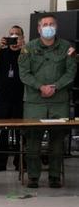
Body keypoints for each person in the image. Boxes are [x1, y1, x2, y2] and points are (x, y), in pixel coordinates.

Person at [18, 14, 76, 188]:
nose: (48, 27)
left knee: (57, 141)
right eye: (45, 24)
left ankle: (54, 176)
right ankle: (33, 176)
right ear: (38, 29)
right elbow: (24, 73)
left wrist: (55, 86)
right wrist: (40, 87)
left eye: (51, 24)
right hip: (35, 102)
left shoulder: (67, 48)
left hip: (59, 101)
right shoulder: (28, 48)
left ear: (56, 27)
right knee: (33, 141)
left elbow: (71, 72)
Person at [0, 25, 26, 172]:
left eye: (17, 34)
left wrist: (23, 48)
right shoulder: (2, 52)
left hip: (19, 97)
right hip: (1, 97)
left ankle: (20, 162)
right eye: (11, 34)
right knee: (1, 131)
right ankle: (0, 163)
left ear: (22, 37)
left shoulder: (25, 52)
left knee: (20, 131)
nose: (14, 37)